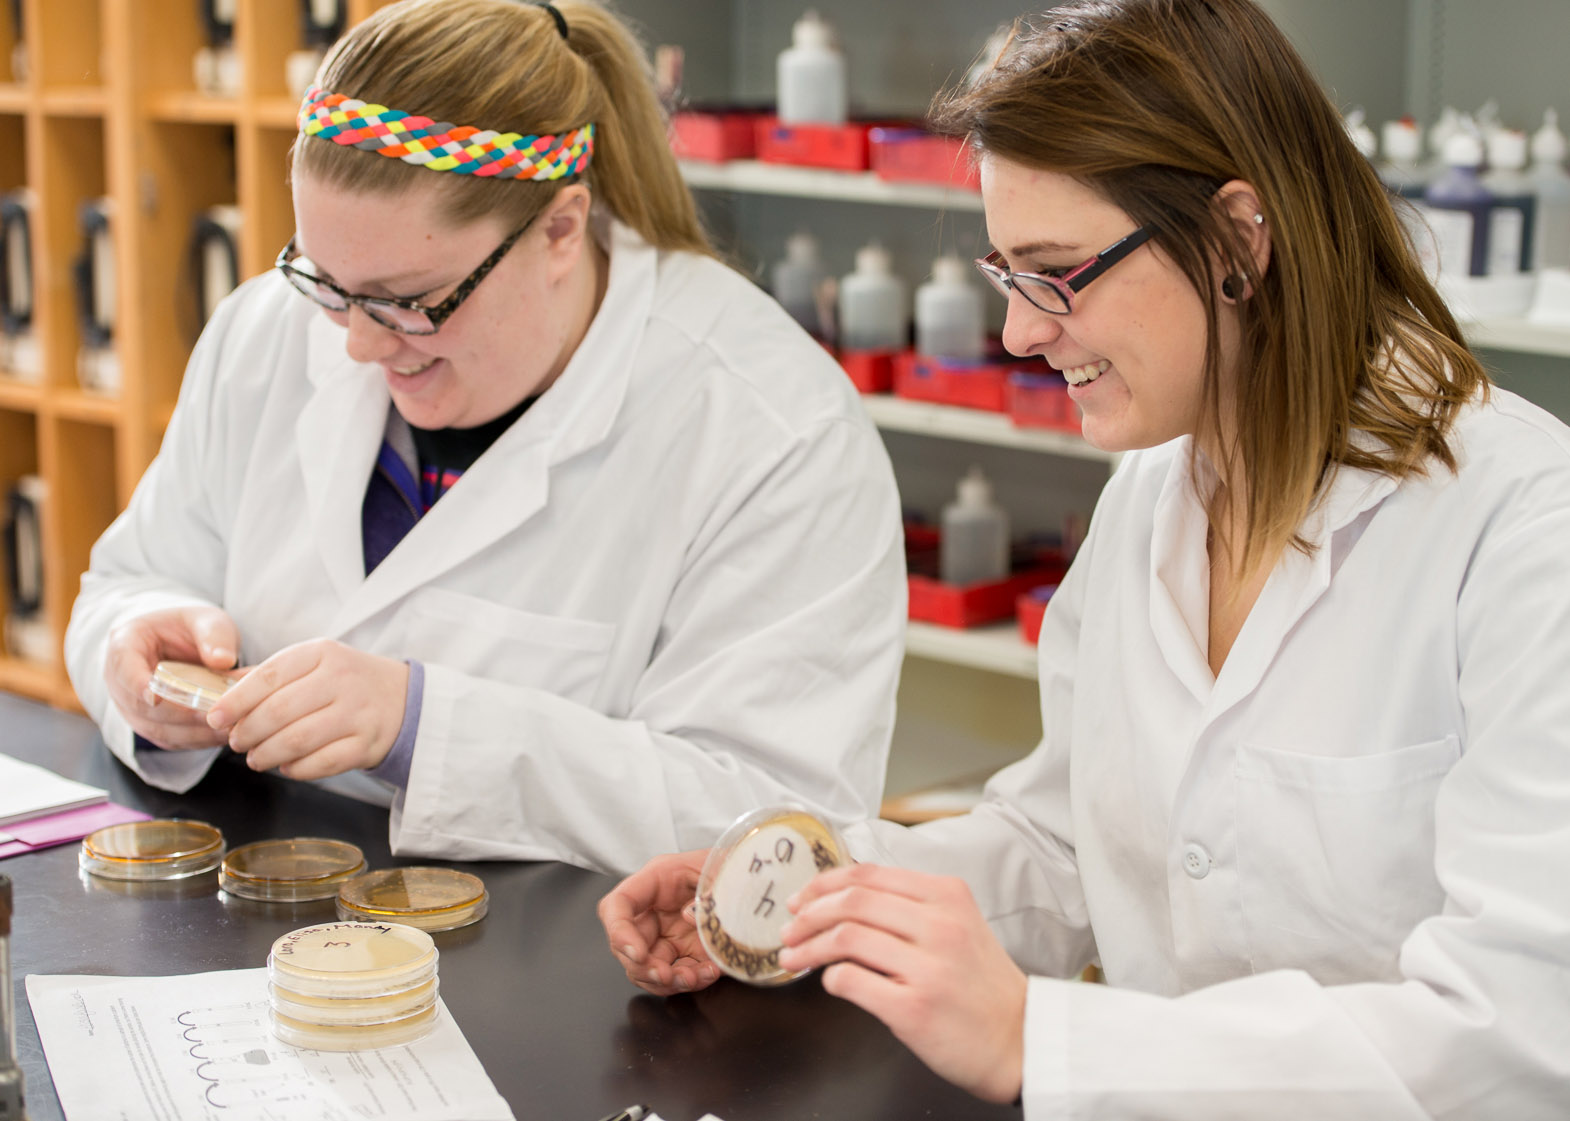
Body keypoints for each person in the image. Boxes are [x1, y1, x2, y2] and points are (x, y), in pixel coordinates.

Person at [599, 0, 1570, 1114]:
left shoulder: (1522, 532)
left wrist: (1041, 1038)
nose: (1018, 333)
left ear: (1236, 240)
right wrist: (792, 900)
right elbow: (1065, 846)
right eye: (1008, 274)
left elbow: (1513, 1033)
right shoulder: (1153, 492)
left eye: (1056, 271)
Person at [64, 0, 905, 877]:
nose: (357, 341)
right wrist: (135, 646)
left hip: (590, 974)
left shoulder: (773, 430)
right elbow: (128, 577)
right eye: (329, 283)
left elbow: (777, 828)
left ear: (559, 230)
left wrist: (421, 726)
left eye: (409, 302)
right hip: (270, 906)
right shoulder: (275, 330)